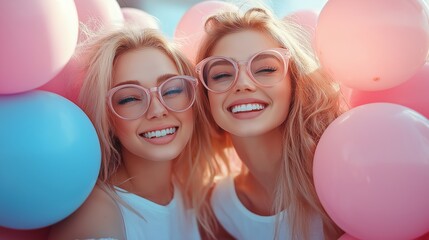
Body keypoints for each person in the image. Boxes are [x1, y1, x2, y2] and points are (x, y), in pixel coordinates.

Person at [48, 26, 227, 240]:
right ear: (107, 118)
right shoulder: (97, 216)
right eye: (130, 99)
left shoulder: (194, 194)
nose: (158, 110)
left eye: (171, 90)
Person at [195, 6, 346, 240]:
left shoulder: (341, 173)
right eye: (222, 74)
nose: (243, 83)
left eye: (265, 69)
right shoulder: (217, 208)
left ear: (293, 84)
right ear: (207, 97)